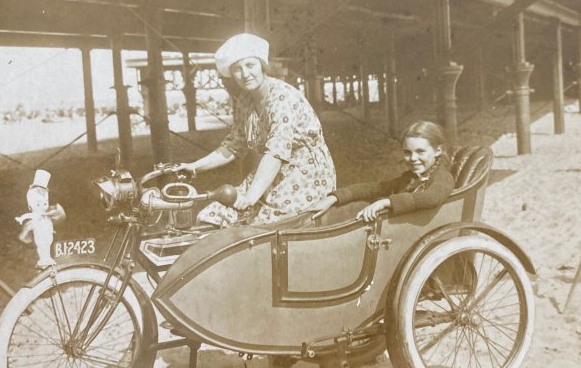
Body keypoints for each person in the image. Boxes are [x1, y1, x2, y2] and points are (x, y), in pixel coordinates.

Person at [173, 33, 336, 227]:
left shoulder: (282, 97)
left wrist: (250, 197)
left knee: (260, 227)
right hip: (267, 174)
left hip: (304, 176)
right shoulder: (245, 100)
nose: (245, 74)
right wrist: (194, 167)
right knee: (214, 214)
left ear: (262, 66)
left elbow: (276, 154)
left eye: (250, 65)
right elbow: (233, 145)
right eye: (237, 70)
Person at [311, 120, 455, 222]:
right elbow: (374, 188)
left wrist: (386, 202)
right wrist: (333, 198)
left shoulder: (442, 177)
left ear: (438, 151)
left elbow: (432, 197)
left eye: (420, 152)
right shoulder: (410, 178)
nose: (413, 158)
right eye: (407, 152)